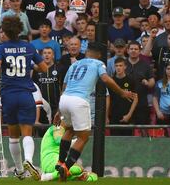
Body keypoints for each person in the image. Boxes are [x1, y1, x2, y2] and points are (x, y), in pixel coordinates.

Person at [55, 42, 135, 181]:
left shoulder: (74, 64)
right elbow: (105, 79)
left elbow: (64, 85)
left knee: (69, 130)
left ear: (87, 52)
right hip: (79, 101)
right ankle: (66, 167)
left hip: (65, 99)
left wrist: (58, 110)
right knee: (83, 137)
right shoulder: (98, 63)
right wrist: (122, 92)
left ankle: (60, 161)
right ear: (99, 55)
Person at [0, 16, 47, 180]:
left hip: (8, 95)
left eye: (1, 31)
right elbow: (43, 68)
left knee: (13, 135)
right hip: (25, 93)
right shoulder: (28, 47)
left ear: (5, 32)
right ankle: (29, 159)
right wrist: (29, 64)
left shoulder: (1, 48)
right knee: (27, 131)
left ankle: (20, 170)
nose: (0, 34)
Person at [108, 57, 137, 136]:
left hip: (127, 115)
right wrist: (107, 116)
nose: (118, 68)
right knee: (114, 140)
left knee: (127, 141)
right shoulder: (111, 81)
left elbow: (135, 99)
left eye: (120, 66)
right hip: (114, 116)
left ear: (125, 67)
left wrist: (129, 115)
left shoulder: (131, 80)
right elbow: (108, 99)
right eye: (116, 66)